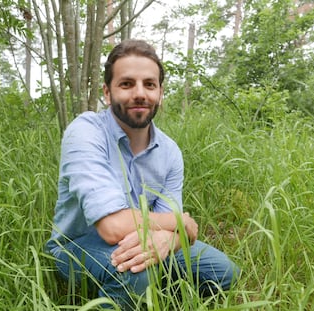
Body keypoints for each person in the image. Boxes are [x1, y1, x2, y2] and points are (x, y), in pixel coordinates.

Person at [46, 39, 240, 309]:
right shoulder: (86, 132)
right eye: (126, 84)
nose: (140, 93)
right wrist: (180, 224)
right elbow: (112, 227)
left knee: (224, 272)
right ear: (107, 92)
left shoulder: (170, 152)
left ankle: (157, 297)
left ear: (160, 92)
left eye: (149, 84)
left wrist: (168, 239)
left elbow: (175, 229)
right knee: (135, 271)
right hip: (78, 245)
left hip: (143, 238)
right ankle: (130, 291)